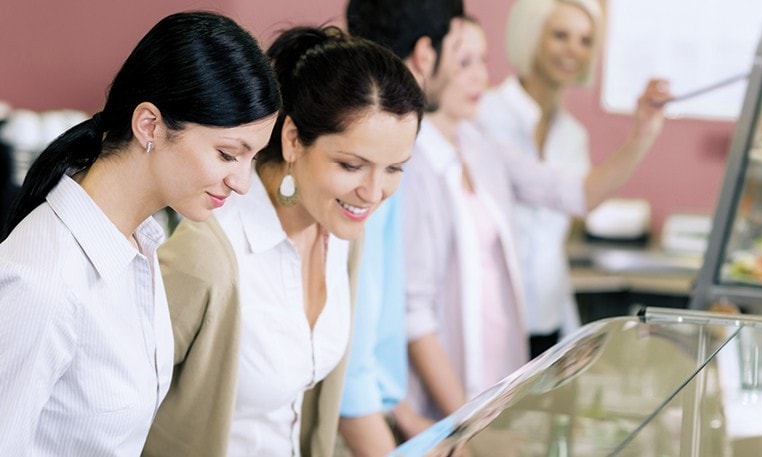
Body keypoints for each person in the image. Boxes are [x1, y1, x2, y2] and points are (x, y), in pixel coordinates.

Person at [0, 11, 280, 456]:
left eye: (252, 158)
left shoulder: (140, 244)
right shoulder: (43, 282)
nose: (242, 182)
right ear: (149, 124)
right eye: (228, 154)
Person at [141, 25, 424, 457]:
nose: (373, 192)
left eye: (394, 169)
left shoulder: (343, 231)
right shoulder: (210, 253)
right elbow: (110, 408)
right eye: (351, 165)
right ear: (293, 139)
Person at [402, 16, 670, 422]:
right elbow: (414, 311)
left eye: (482, 61)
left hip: (508, 356)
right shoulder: (423, 154)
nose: (480, 76)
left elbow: (576, 193)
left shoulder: (480, 146)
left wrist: (643, 133)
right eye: (464, 63)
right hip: (444, 386)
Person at [478, 0, 645, 358]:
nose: (574, 50)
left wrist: (571, 337)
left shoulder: (573, 137)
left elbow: (553, 249)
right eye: (560, 35)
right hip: (488, 318)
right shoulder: (484, 116)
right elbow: (578, 195)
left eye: (585, 40)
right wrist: (642, 134)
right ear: (531, 35)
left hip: (547, 322)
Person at [337, 0, 464, 455]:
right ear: (428, 53)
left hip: (379, 414)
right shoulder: (374, 159)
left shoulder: (373, 141)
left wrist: (400, 411)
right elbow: (350, 362)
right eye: (460, 50)